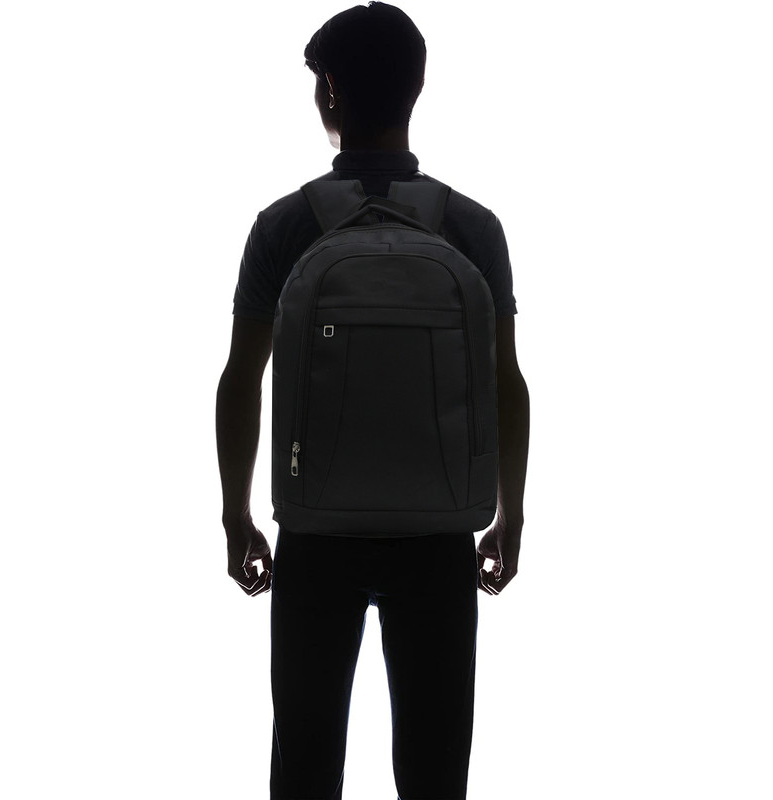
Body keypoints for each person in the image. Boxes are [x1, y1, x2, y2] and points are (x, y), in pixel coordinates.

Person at [215, 3, 530, 798]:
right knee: (434, 774)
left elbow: (242, 376)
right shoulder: (471, 226)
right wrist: (510, 514)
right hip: (439, 534)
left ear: (329, 90)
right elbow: (506, 379)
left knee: (304, 767)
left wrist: (236, 515)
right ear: (418, 87)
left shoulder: (285, 225)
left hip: (315, 533)